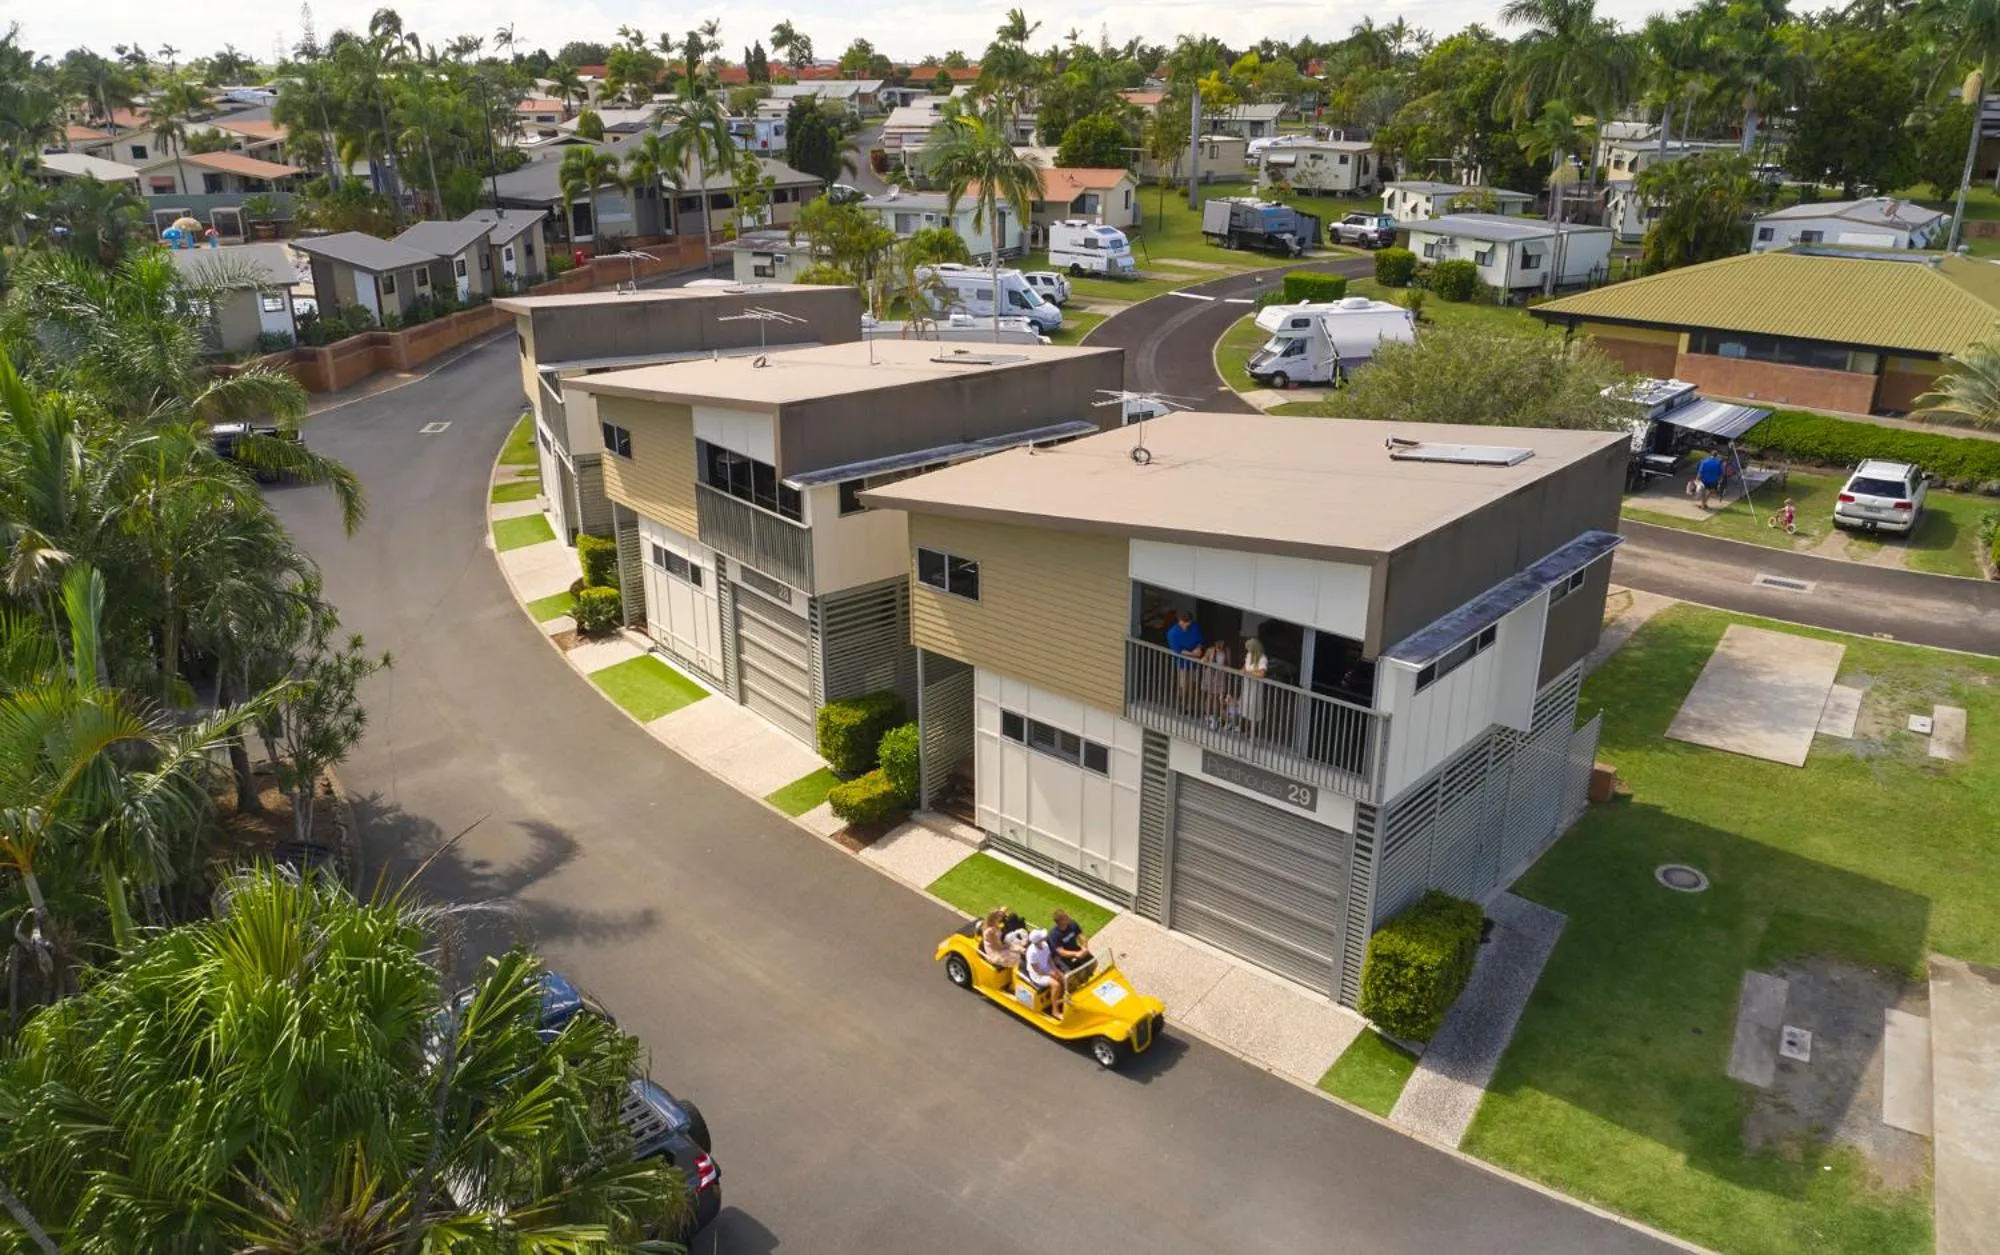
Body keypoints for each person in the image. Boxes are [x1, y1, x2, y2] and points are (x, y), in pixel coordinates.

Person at [1165, 610, 1206, 710]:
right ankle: (1180, 704)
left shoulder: (1194, 626)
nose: (1187, 625)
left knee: (1193, 684)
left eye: (1189, 623)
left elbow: (1201, 639)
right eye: (1185, 623)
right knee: (1183, 686)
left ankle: (1188, 705)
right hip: (1183, 664)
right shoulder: (1172, 633)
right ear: (1180, 621)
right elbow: (1178, 650)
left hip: (1194, 664)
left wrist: (1199, 648)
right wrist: (1193, 654)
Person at [1022, 928, 1064, 1018]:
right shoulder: (1032, 953)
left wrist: (1055, 969)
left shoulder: (1045, 945)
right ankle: (1055, 1011)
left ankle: (1061, 1000)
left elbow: (1049, 959)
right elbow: (1037, 971)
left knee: (1063, 977)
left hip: (1046, 969)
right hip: (1037, 975)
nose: (1044, 938)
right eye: (1042, 937)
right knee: (1056, 985)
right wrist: (1051, 974)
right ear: (1037, 941)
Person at [1049, 908, 1091, 973]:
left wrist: (1084, 947)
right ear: (1061, 921)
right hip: (1063, 959)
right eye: (1066, 917)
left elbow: (1081, 936)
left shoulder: (1072, 924)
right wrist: (1076, 954)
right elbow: (1061, 952)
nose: (1068, 916)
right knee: (1073, 976)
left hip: (1076, 950)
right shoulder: (1054, 935)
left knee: (1093, 963)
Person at [1202, 640, 1234, 726]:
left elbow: (1229, 664)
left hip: (1220, 676)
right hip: (1211, 675)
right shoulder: (1210, 650)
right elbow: (1205, 658)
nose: (1219, 649)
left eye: (1221, 648)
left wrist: (1225, 669)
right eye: (1217, 647)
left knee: (1218, 697)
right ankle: (1207, 715)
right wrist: (1205, 660)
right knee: (1209, 695)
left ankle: (1215, 715)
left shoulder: (1227, 651)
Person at [1240, 638, 1268, 731]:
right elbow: (1245, 667)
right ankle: (1246, 728)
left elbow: (1261, 673)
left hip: (1255, 688)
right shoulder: (1248, 655)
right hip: (1247, 685)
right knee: (1246, 707)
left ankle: (1253, 731)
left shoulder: (1262, 658)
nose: (1248, 650)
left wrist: (1250, 673)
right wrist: (1243, 670)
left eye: (1249, 648)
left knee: (1254, 709)